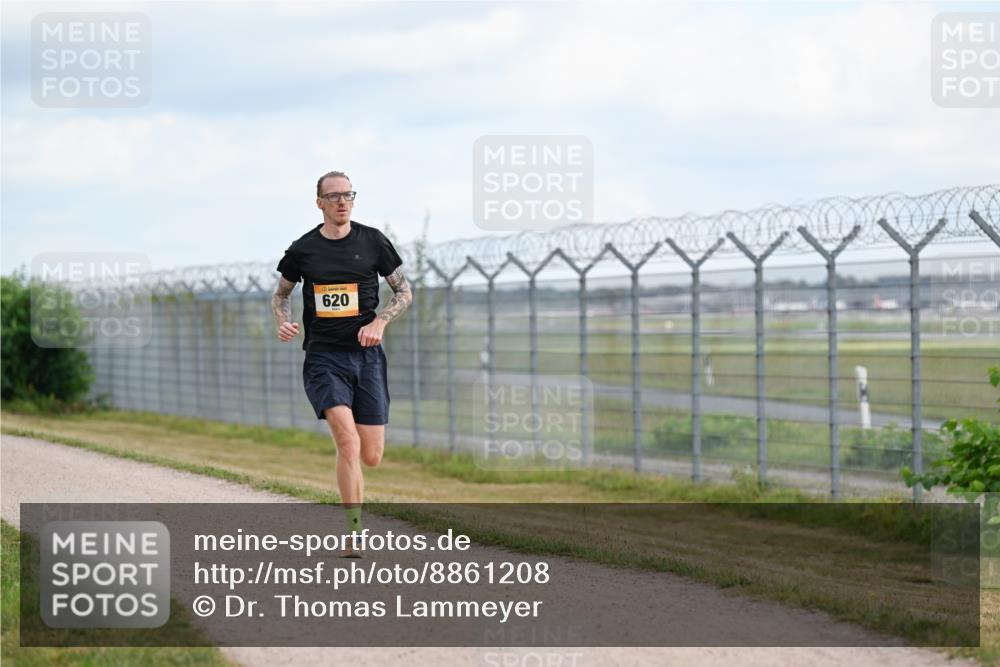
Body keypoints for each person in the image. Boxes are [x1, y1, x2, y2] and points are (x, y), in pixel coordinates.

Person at [272, 170, 412, 557]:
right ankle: (353, 532)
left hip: (366, 358)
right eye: (332, 196)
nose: (341, 201)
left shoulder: (373, 242)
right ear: (319, 203)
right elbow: (281, 294)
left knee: (371, 455)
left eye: (347, 194)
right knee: (347, 442)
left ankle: (352, 478)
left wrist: (380, 321)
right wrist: (283, 321)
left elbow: (404, 290)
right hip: (323, 357)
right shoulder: (303, 250)